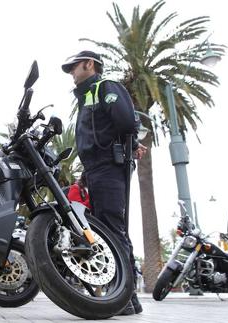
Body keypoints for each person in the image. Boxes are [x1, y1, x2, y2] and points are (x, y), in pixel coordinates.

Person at [61, 50, 147, 315]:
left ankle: (125, 297)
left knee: (112, 228)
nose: (72, 73)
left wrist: (129, 145)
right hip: (97, 170)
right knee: (106, 230)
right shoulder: (87, 97)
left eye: (74, 67)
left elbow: (125, 121)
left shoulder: (105, 87)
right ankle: (124, 297)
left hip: (110, 168)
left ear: (89, 64)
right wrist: (85, 176)